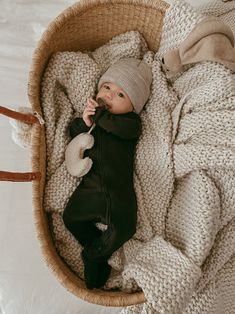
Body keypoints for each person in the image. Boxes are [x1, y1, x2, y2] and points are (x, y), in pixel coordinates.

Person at [63, 57, 152, 289]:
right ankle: (97, 252)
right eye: (107, 87)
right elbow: (75, 133)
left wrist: (99, 116)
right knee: (71, 217)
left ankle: (93, 257)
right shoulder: (93, 119)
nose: (111, 95)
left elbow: (119, 128)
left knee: (125, 227)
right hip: (90, 188)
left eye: (121, 95)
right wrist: (84, 121)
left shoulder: (130, 123)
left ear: (134, 106)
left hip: (116, 192)